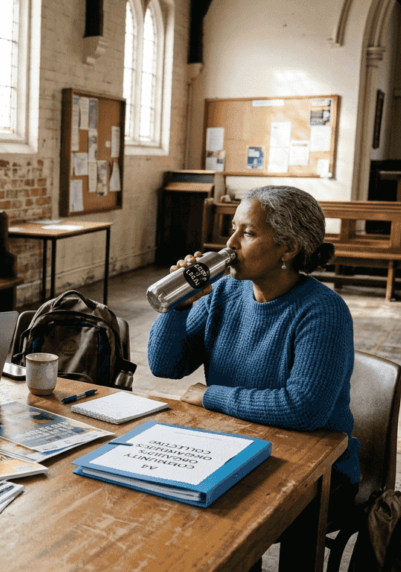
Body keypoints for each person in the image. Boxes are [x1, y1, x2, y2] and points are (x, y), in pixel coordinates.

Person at [148, 185, 360, 514]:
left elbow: (304, 409)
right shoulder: (225, 292)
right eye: (233, 229)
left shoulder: (323, 311)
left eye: (247, 233)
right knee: (158, 491)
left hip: (317, 468)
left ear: (287, 249)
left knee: (216, 512)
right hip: (236, 444)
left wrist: (209, 396)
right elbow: (165, 366)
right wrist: (177, 307)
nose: (230, 244)